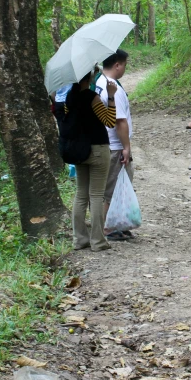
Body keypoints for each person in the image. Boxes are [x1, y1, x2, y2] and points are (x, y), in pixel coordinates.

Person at [64, 71, 117, 251]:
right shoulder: (92, 98)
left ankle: (79, 239)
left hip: (79, 151)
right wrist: (111, 96)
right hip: (97, 149)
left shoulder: (69, 100)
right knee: (96, 195)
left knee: (80, 194)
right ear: (90, 78)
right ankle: (97, 241)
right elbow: (109, 121)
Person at [96, 49, 134, 241]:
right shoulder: (113, 88)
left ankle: (117, 223)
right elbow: (120, 121)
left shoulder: (100, 83)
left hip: (108, 142)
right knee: (111, 188)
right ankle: (107, 228)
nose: (125, 68)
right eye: (124, 64)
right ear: (117, 64)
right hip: (115, 144)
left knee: (116, 186)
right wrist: (126, 147)